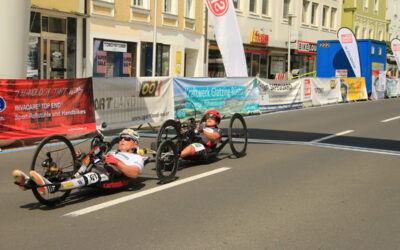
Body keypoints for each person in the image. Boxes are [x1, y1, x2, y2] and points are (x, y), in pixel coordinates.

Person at [12, 128, 144, 196]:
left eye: (127, 138)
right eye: (121, 138)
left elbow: (134, 173)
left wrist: (116, 162)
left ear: (135, 143)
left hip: (108, 175)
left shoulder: (136, 158)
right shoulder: (114, 151)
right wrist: (83, 158)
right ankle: (30, 182)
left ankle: (54, 187)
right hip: (96, 165)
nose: (122, 140)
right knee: (69, 172)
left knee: (87, 178)